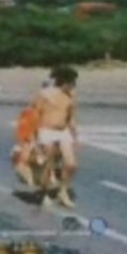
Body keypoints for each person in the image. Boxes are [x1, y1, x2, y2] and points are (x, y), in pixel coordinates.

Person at [31, 65, 80, 208]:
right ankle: (44, 192)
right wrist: (34, 137)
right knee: (49, 164)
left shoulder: (70, 96)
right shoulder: (45, 94)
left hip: (63, 131)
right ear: (64, 82)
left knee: (71, 164)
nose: (73, 86)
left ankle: (62, 191)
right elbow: (35, 114)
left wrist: (75, 135)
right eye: (71, 82)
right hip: (46, 131)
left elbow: (71, 117)